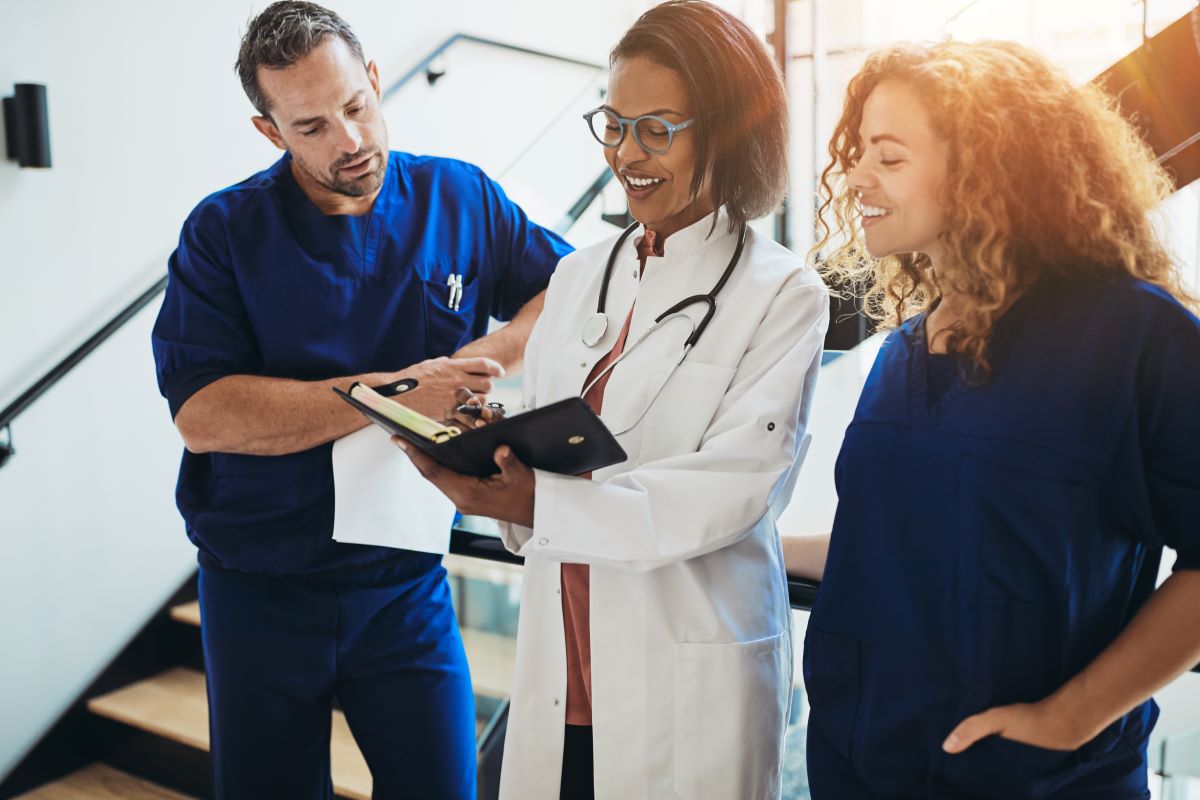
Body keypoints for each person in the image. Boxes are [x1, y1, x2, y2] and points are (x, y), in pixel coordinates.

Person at [399, 3, 829, 798]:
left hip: (688, 677)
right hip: (564, 667)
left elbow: (733, 489)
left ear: (728, 131)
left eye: (657, 129)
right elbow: (555, 452)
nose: (626, 153)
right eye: (614, 124)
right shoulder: (575, 276)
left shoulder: (784, 293)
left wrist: (543, 499)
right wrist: (490, 455)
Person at [149, 2, 571, 797]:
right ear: (270, 132)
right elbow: (204, 415)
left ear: (375, 81)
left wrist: (495, 350)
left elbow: (570, 291)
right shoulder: (222, 232)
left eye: (354, 105)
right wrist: (395, 393)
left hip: (404, 585)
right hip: (259, 587)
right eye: (311, 126)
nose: (348, 141)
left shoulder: (460, 198)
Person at [788, 40, 1200, 799]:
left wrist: (1069, 718)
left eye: (889, 157)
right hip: (859, 763)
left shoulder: (1134, 334)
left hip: (1033, 778)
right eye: (857, 154)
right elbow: (895, 537)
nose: (854, 178)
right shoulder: (902, 352)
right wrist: (746, 544)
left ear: (983, 170)